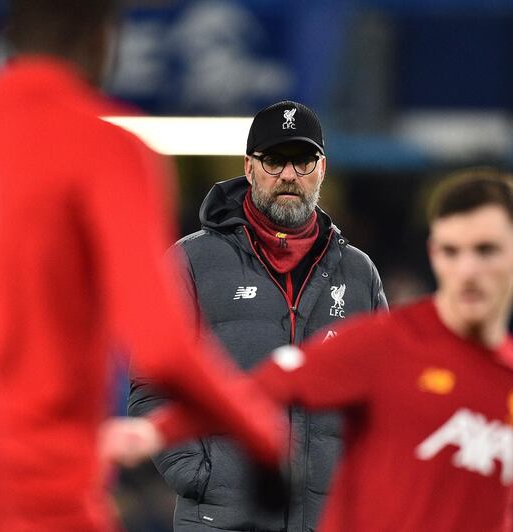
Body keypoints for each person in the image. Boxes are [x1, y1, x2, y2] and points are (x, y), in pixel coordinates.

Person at [0, 1, 287, 530]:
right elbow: (160, 345)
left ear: (5, 37)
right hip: (32, 490)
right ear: (102, 38)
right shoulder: (107, 147)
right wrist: (261, 436)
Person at [117, 168, 513, 531]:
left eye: (485, 250)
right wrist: (158, 434)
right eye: (452, 252)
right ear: (434, 255)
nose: (467, 270)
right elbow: (263, 389)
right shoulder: (383, 344)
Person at [128, 100, 387, 531]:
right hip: (220, 518)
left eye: (302, 161)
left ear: (321, 169)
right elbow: (151, 383)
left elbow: (384, 397)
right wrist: (198, 474)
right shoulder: (192, 261)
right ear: (249, 168)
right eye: (274, 161)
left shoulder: (359, 273)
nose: (289, 176)